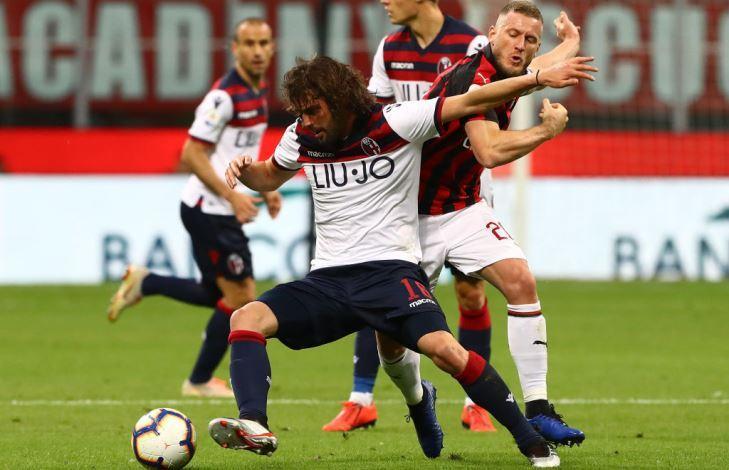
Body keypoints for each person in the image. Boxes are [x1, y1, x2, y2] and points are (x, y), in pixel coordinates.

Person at [206, 56, 594, 466]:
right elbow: (269, 174)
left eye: (314, 110)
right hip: (328, 281)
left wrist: (536, 78)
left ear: (339, 101)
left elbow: (472, 100)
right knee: (246, 317)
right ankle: (254, 424)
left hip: (391, 273)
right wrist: (246, 172)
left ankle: (530, 440)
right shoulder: (301, 136)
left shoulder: (396, 121)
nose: (307, 121)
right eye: (301, 112)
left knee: (446, 351)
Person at [417, 1, 588, 446]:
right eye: (513, 34)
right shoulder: (473, 79)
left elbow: (541, 67)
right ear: (491, 33)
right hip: (410, 217)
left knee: (520, 281)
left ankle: (539, 410)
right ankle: (418, 398)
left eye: (530, 39)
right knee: (397, 339)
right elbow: (489, 152)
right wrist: (546, 131)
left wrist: (570, 41)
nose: (521, 45)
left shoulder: (510, 67)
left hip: (463, 208)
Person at [323, 0, 496, 434]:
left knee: (470, 293)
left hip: (460, 188)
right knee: (378, 285)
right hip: (403, 189)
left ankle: (477, 404)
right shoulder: (388, 48)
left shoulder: (471, 44)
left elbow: (485, 111)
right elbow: (374, 117)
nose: (385, 1)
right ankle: (361, 400)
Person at [106, 18, 281, 398]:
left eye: (263, 43)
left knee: (214, 292)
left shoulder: (258, 91)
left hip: (216, 208)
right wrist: (233, 196)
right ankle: (199, 380)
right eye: (249, 43)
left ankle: (146, 283)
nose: (256, 51)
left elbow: (238, 150)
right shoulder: (224, 97)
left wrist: (263, 185)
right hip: (210, 210)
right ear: (234, 48)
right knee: (241, 298)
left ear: (272, 47)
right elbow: (191, 153)